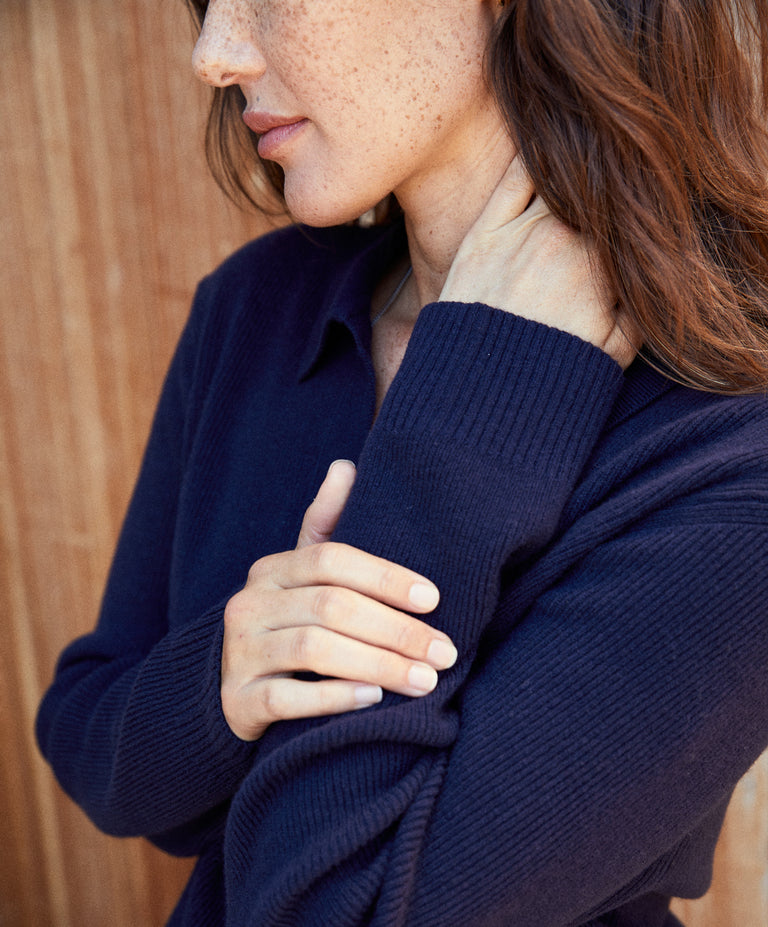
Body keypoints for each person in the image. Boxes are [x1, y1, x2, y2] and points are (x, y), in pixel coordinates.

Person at [36, 0, 768, 924]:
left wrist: (469, 413)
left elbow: (330, 906)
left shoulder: (733, 457)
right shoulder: (257, 306)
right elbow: (86, 728)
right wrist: (226, 674)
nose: (212, 55)